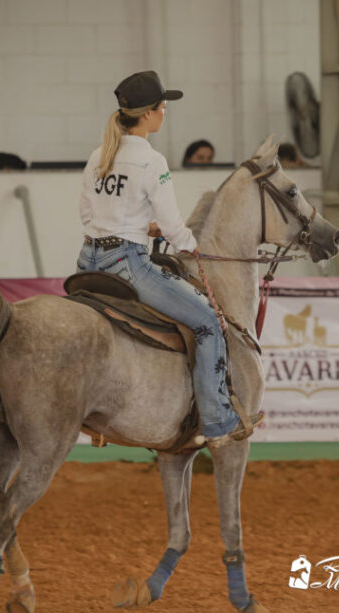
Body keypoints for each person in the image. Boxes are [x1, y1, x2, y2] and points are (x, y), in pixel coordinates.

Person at [77, 70, 259, 446]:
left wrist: (143, 228)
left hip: (88, 262)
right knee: (210, 321)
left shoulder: (99, 155)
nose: (165, 112)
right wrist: (189, 245)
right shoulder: (151, 160)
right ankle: (217, 420)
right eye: (163, 106)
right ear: (147, 114)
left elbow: (87, 214)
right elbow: (176, 226)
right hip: (128, 266)